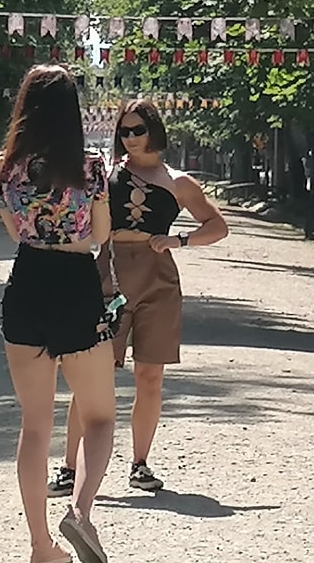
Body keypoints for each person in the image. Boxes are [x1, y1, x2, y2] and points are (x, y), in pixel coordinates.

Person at [56, 97, 228, 498]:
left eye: (138, 130)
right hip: (109, 273)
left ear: (155, 131)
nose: (131, 138)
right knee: (91, 375)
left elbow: (217, 226)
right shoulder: (106, 173)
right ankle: (69, 467)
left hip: (158, 277)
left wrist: (179, 240)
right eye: (124, 131)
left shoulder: (179, 182)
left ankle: (140, 463)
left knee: (150, 375)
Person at [0, 65, 117, 563]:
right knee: (99, 416)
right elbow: (101, 234)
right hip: (75, 284)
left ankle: (40, 545)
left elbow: (14, 232)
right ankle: (81, 512)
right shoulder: (90, 167)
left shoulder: (4, 168)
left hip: (26, 284)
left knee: (35, 425)